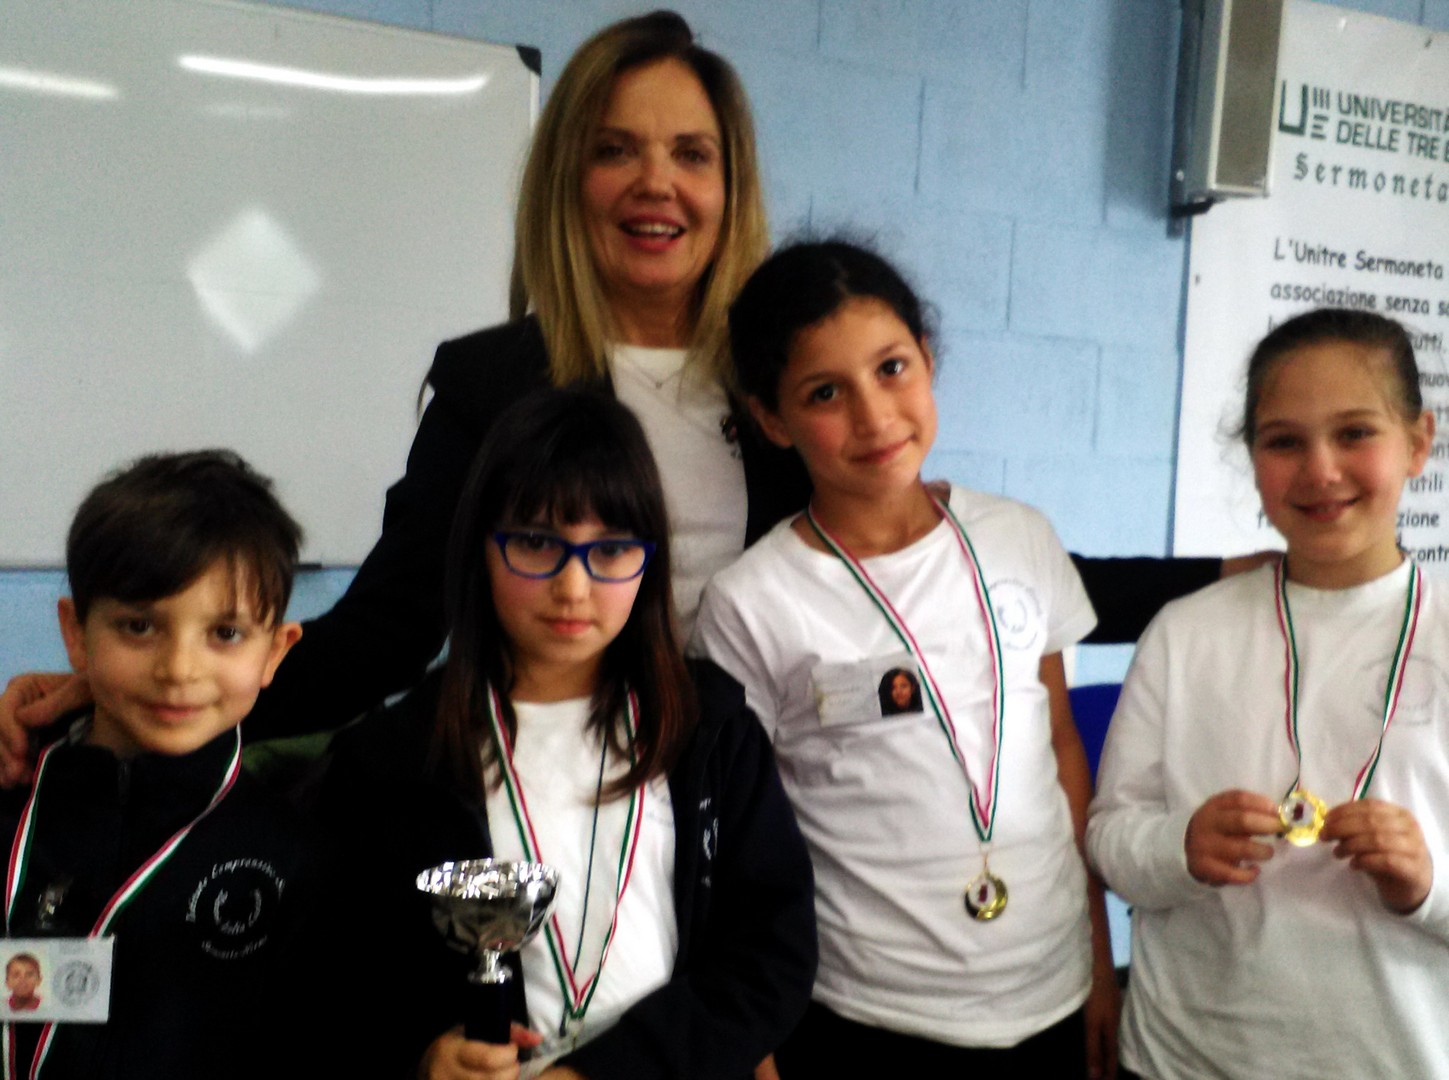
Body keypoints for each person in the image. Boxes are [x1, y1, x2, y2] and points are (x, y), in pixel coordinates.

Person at [0, 9, 1231, 783]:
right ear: (569, 177)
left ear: (730, 183)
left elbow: (966, 565)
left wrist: (1234, 574)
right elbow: (385, 629)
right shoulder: (494, 382)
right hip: (537, 799)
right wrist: (129, 696)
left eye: (692, 153)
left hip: (751, 797)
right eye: (615, 149)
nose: (657, 184)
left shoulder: (785, 392)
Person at [693, 241, 1118, 1075]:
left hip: (1053, 994)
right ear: (771, 420)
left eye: (890, 368)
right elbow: (731, 846)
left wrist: (1100, 959)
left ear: (926, 360)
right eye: (824, 393)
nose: (873, 415)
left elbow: (1061, 746)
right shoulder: (752, 602)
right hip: (863, 1018)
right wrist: (757, 1042)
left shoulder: (1020, 537)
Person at [318, 389, 816, 1080]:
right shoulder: (391, 760)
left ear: (649, 560)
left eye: (610, 550)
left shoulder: (709, 729)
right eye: (535, 543)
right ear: (481, 547)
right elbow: (340, 976)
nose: (573, 587)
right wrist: (424, 1054)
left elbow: (772, 952)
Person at [1086, 308, 1449, 1078]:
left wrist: (1428, 883)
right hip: (1184, 1059)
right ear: (1250, 458)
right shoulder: (1184, 632)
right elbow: (1111, 836)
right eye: (1283, 441)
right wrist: (1178, 848)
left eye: (1354, 432)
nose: (1320, 470)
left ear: (1418, 441)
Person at [0, 451, 331, 1079]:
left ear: (275, 652)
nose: (178, 669)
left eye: (225, 634)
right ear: (76, 633)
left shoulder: (293, 859)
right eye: (138, 626)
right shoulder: (13, 806)